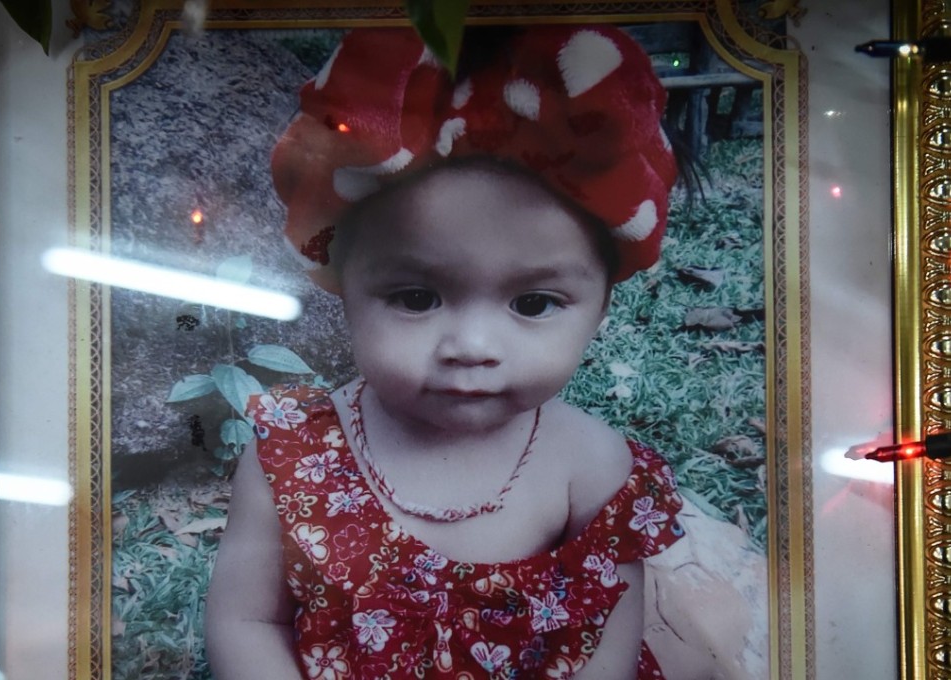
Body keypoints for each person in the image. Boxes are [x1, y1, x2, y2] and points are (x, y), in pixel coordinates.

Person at [206, 24, 688, 679]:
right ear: (343, 289)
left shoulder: (589, 465)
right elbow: (246, 620)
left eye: (533, 303)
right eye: (415, 297)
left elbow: (608, 638)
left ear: (601, 308)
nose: (471, 347)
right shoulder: (291, 456)